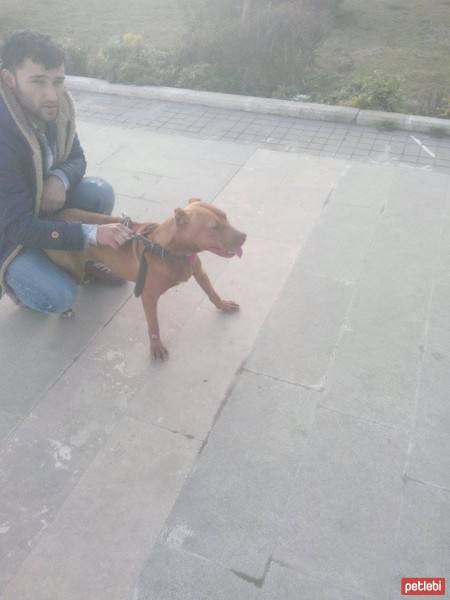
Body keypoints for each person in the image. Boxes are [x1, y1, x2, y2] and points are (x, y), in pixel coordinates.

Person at [0, 30, 133, 315]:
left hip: (38, 210)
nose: (52, 95)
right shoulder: (3, 134)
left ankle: (75, 257)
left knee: (99, 191)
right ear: (9, 80)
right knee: (59, 296)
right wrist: (91, 233)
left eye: (58, 81)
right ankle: (24, 282)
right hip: (7, 234)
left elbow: (77, 158)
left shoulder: (56, 111)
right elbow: (17, 227)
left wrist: (58, 179)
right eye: (38, 82)